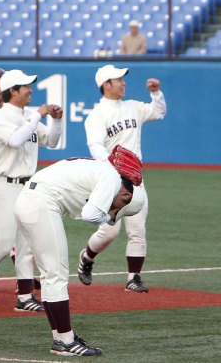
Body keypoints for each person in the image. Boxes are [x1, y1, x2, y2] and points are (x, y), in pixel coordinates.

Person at [13, 147, 146, 356]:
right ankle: (66, 341)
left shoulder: (103, 170)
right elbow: (90, 214)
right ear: (126, 192)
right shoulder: (111, 178)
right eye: (120, 206)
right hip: (40, 203)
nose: (114, 214)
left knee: (51, 275)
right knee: (56, 274)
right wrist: (105, 216)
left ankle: (60, 338)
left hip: (30, 200)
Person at [0, 69, 62, 312]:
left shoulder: (29, 116)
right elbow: (15, 141)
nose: (30, 90)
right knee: (3, 244)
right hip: (3, 184)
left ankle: (25, 297)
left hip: (27, 185)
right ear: (13, 91)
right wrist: (37, 117)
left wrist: (56, 120)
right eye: (26, 86)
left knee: (26, 244)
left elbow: (52, 141)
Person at [77, 64, 166, 292]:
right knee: (110, 231)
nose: (123, 82)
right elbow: (94, 145)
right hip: (111, 180)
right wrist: (111, 163)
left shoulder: (133, 107)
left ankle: (133, 278)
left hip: (135, 178)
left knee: (137, 229)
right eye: (118, 79)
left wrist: (155, 93)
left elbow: (159, 112)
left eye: (123, 79)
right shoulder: (97, 115)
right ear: (106, 85)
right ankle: (87, 257)